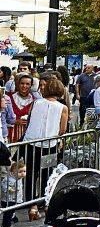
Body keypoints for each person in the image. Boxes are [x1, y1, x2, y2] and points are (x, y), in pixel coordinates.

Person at [21, 77, 69, 212]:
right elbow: (63, 129)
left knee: (31, 173)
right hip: (50, 144)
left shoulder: (36, 103)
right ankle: (44, 199)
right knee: (46, 174)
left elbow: (29, 120)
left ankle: (31, 203)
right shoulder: (62, 108)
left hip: (31, 142)